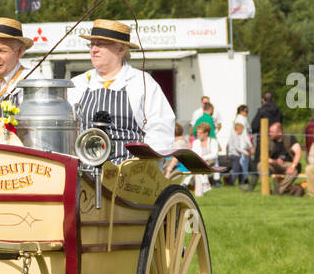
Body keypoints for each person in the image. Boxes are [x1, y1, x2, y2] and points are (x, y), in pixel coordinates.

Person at [66, 19, 175, 160]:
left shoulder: (142, 82)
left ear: (121, 49)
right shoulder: (78, 83)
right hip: (85, 172)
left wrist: (144, 166)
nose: (94, 50)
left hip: (129, 172)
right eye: (91, 44)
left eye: (100, 44)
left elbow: (160, 130)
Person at [261, 121, 302, 194]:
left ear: (279, 132)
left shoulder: (289, 138)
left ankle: (279, 191)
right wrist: (275, 161)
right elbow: (264, 157)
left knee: (294, 171)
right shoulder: (268, 140)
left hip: (287, 164)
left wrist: (293, 166)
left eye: (272, 132)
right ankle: (267, 190)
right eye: (269, 132)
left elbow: (298, 152)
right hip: (274, 164)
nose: (270, 134)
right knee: (260, 165)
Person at [190, 122, 218, 196]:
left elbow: (214, 155)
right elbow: (194, 154)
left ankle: (199, 192)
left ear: (206, 133)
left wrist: (203, 158)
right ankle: (203, 188)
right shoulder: (196, 142)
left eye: (200, 133)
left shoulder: (213, 141)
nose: (198, 134)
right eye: (197, 133)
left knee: (199, 171)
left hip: (210, 163)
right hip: (198, 164)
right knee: (199, 171)